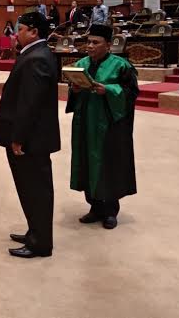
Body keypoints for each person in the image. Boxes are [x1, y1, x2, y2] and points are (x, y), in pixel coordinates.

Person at [0, 12, 60, 259]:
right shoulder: (34, 53)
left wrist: (18, 137)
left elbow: (30, 103)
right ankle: (35, 231)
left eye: (20, 29)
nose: (15, 34)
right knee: (29, 189)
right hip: (31, 138)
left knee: (36, 190)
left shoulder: (37, 58)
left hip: (31, 140)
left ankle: (40, 243)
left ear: (33, 32)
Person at [66, 24, 139, 230]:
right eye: (88, 42)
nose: (89, 46)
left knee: (109, 164)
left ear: (108, 45)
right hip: (85, 123)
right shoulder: (81, 64)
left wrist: (108, 90)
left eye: (95, 42)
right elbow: (73, 90)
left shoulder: (121, 66)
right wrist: (75, 89)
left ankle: (110, 211)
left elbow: (131, 93)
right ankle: (95, 207)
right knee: (87, 163)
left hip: (109, 126)